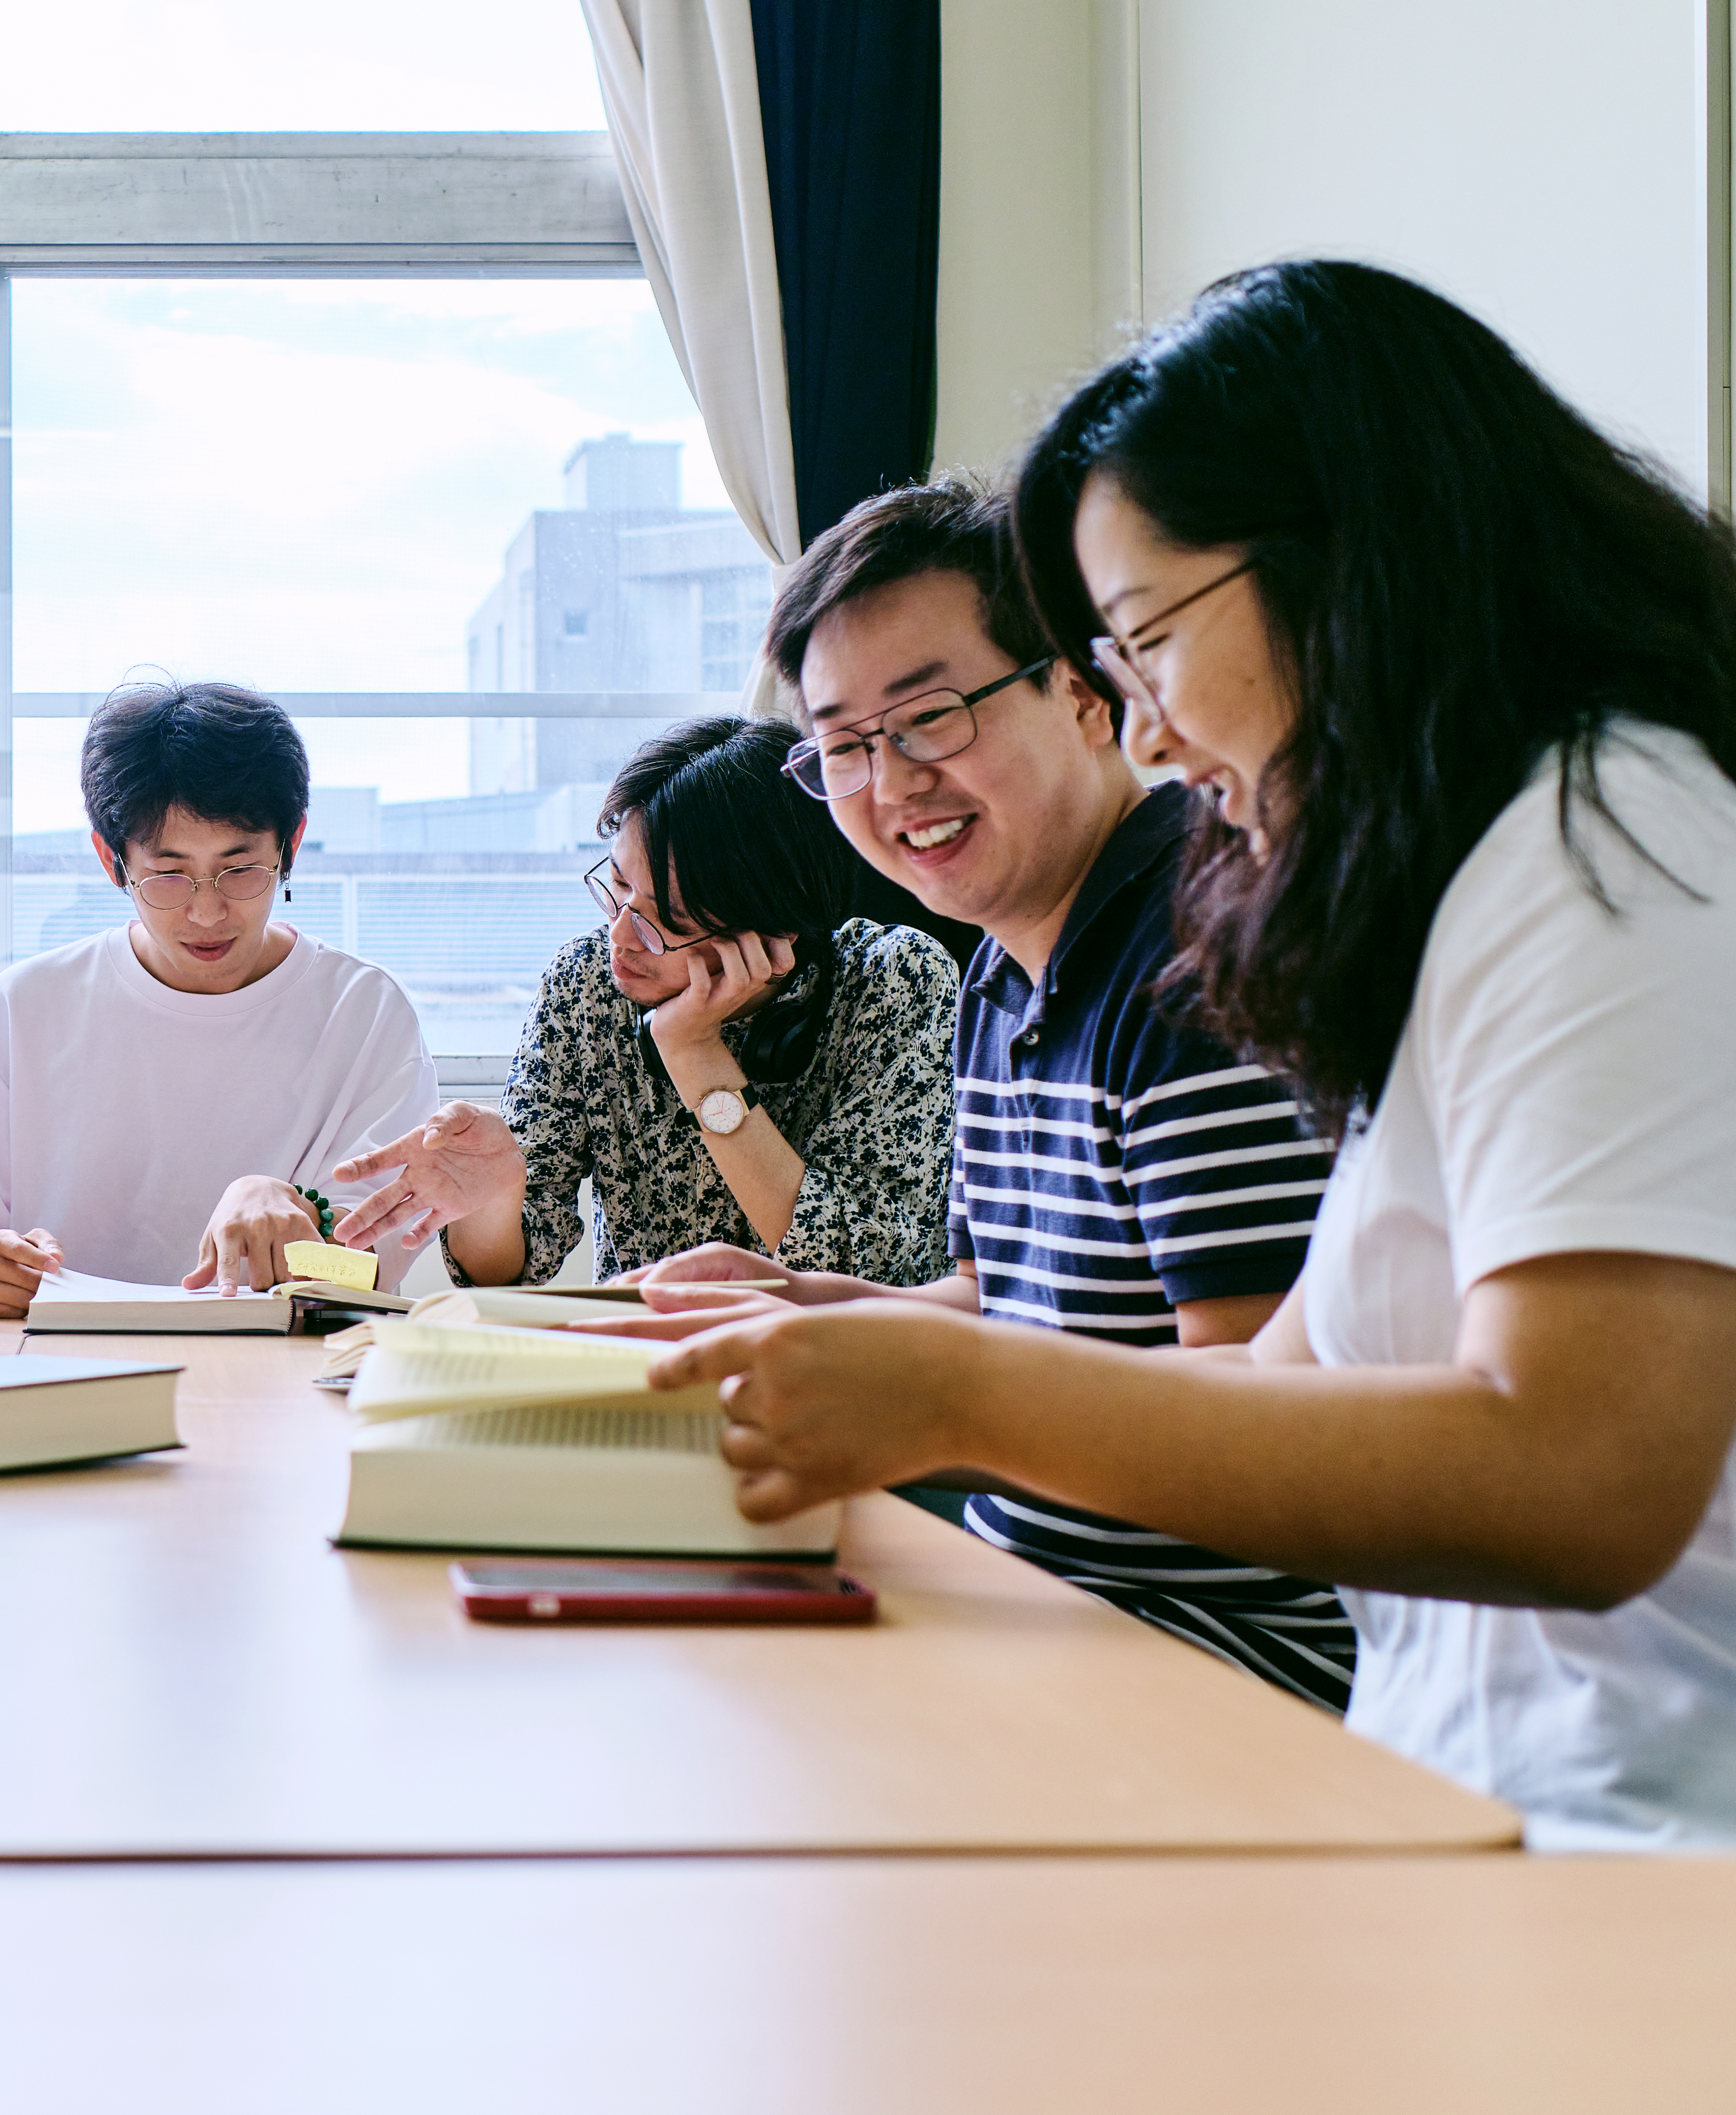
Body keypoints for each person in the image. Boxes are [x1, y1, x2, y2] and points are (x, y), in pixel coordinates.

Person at [652, 262, 1736, 1844]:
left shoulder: (1610, 843)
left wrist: (955, 1391)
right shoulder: (1476, 882)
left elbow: (1577, 1477)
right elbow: (1280, 1375)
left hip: (1630, 1851)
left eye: (1148, 642)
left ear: (1355, 563)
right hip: (1465, 1791)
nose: (1150, 729)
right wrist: (880, 1351)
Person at [608, 477, 1353, 1711]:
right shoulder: (1003, 967)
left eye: (931, 716)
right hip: (1044, 1592)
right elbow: (1007, 1298)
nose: (889, 783)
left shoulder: (1195, 957)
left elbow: (1260, 1411)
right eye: (842, 745)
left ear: (1076, 687)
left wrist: (934, 1401)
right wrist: (810, 1305)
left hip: (1218, 1650)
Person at [330, 718, 958, 1290]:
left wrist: (693, 1051)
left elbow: (866, 1270)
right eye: (621, 886)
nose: (622, 938)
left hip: (845, 1379)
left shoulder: (895, 981)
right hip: (644, 1372)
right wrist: (492, 1201)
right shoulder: (586, 984)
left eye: (669, 921)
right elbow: (505, 1275)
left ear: (775, 931)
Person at [0, 678, 436, 1317]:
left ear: (291, 846)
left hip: (282, 1379)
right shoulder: (22, 1011)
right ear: (111, 860)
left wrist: (291, 1212)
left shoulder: (364, 1014)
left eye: (240, 870)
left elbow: (374, 1262)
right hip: (63, 1372)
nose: (207, 912)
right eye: (169, 874)